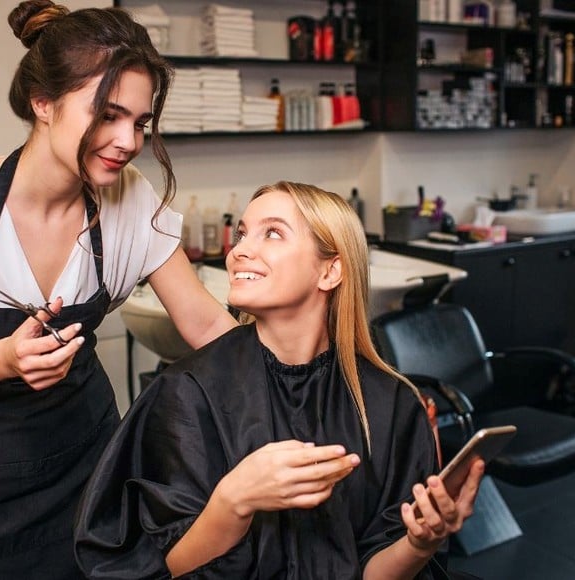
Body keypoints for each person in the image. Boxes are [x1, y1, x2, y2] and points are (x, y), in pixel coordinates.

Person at [0, 3, 237, 578]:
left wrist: (309, 382)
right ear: (43, 103)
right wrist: (4, 359)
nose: (128, 140)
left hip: (94, 471)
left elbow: (206, 325)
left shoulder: (129, 198)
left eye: (140, 122)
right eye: (109, 114)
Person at [74, 182, 484, 579]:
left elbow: (374, 572)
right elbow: (173, 569)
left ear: (330, 271)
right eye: (242, 234)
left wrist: (419, 543)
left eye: (272, 233)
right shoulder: (187, 393)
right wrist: (235, 499)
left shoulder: (391, 404)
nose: (239, 251)